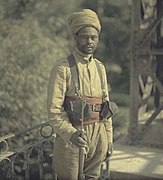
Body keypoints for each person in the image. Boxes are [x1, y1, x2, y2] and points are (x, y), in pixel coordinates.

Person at [47, 9, 113, 180]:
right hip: (73, 138)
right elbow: (54, 111)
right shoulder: (63, 68)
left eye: (94, 37)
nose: (89, 41)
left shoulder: (100, 67)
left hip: (98, 137)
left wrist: (108, 140)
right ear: (75, 37)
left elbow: (106, 109)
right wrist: (71, 134)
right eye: (84, 36)